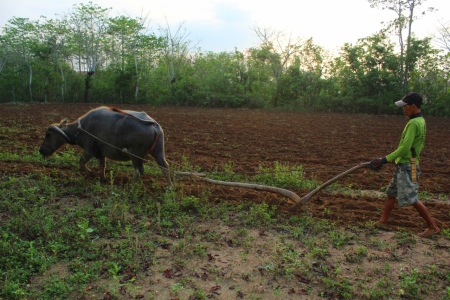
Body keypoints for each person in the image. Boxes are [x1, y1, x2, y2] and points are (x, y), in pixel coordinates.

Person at [370, 92, 440, 238]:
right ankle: (383, 221)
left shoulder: (414, 123)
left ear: (413, 107)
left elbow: (405, 148)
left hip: (408, 166)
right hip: (411, 163)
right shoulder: (420, 121)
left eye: (405, 106)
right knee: (391, 193)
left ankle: (433, 226)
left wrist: (384, 159)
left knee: (412, 197)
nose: (404, 109)